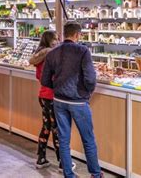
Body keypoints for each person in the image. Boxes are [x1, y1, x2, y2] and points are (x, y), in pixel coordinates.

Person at [41, 22, 102, 178]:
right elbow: (90, 78)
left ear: (64, 34)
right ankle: (95, 174)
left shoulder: (53, 53)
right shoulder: (83, 51)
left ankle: (69, 174)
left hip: (59, 101)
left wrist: (58, 87)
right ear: (77, 35)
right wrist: (87, 93)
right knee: (88, 139)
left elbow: (45, 80)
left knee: (63, 140)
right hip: (78, 101)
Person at [29, 30, 62, 169]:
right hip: (52, 95)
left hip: (43, 95)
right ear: (50, 40)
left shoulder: (39, 56)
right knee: (57, 129)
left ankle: (41, 158)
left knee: (47, 126)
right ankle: (62, 162)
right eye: (56, 39)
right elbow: (56, 76)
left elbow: (39, 76)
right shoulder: (52, 56)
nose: (58, 41)